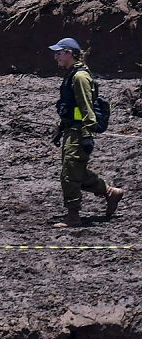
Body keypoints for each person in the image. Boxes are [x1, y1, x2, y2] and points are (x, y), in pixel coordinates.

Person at [49, 37, 124, 228]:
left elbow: (86, 107)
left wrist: (86, 133)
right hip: (71, 130)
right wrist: (61, 128)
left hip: (78, 132)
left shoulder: (79, 77)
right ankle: (109, 192)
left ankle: (73, 216)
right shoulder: (71, 75)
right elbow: (72, 107)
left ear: (70, 54)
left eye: (59, 53)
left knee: (69, 173)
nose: (56, 56)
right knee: (76, 170)